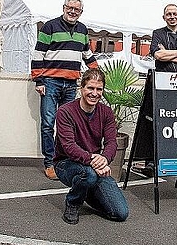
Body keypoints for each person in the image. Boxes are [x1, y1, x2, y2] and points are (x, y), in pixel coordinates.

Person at [31, 0, 98, 180]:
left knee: (67, 125)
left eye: (77, 9)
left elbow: (87, 54)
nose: (73, 11)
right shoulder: (50, 26)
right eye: (70, 8)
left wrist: (98, 75)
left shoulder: (83, 29)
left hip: (71, 83)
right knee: (47, 124)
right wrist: (38, 80)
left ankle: (63, 160)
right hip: (50, 82)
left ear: (81, 12)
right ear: (64, 8)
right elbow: (38, 53)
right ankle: (49, 163)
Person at [53, 68, 129, 225]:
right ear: (82, 88)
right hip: (66, 164)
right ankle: (73, 202)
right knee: (89, 175)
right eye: (90, 88)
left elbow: (111, 142)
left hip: (93, 165)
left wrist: (104, 158)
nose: (95, 93)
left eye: (99, 89)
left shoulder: (106, 112)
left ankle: (85, 189)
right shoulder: (65, 111)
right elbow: (69, 147)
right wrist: (93, 161)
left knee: (120, 213)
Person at [140, 3, 177, 176]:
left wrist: (170, 53)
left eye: (174, 14)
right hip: (162, 84)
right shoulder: (157, 33)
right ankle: (152, 161)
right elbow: (158, 55)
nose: (172, 16)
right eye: (168, 14)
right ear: (164, 17)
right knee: (157, 121)